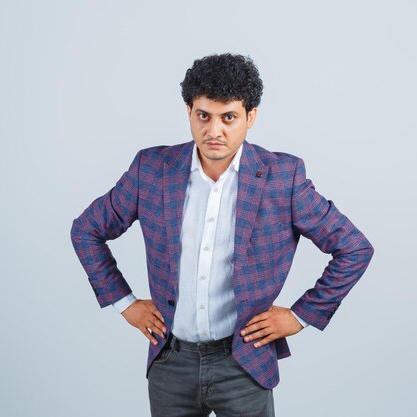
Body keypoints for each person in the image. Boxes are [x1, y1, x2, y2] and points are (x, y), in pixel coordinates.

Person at [70, 53, 373, 417]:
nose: (214, 131)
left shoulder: (282, 177)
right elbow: (87, 230)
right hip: (171, 362)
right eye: (204, 116)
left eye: (228, 117)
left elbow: (354, 248)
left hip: (244, 363)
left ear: (251, 117)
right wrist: (125, 304)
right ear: (189, 112)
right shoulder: (151, 169)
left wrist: (300, 315)